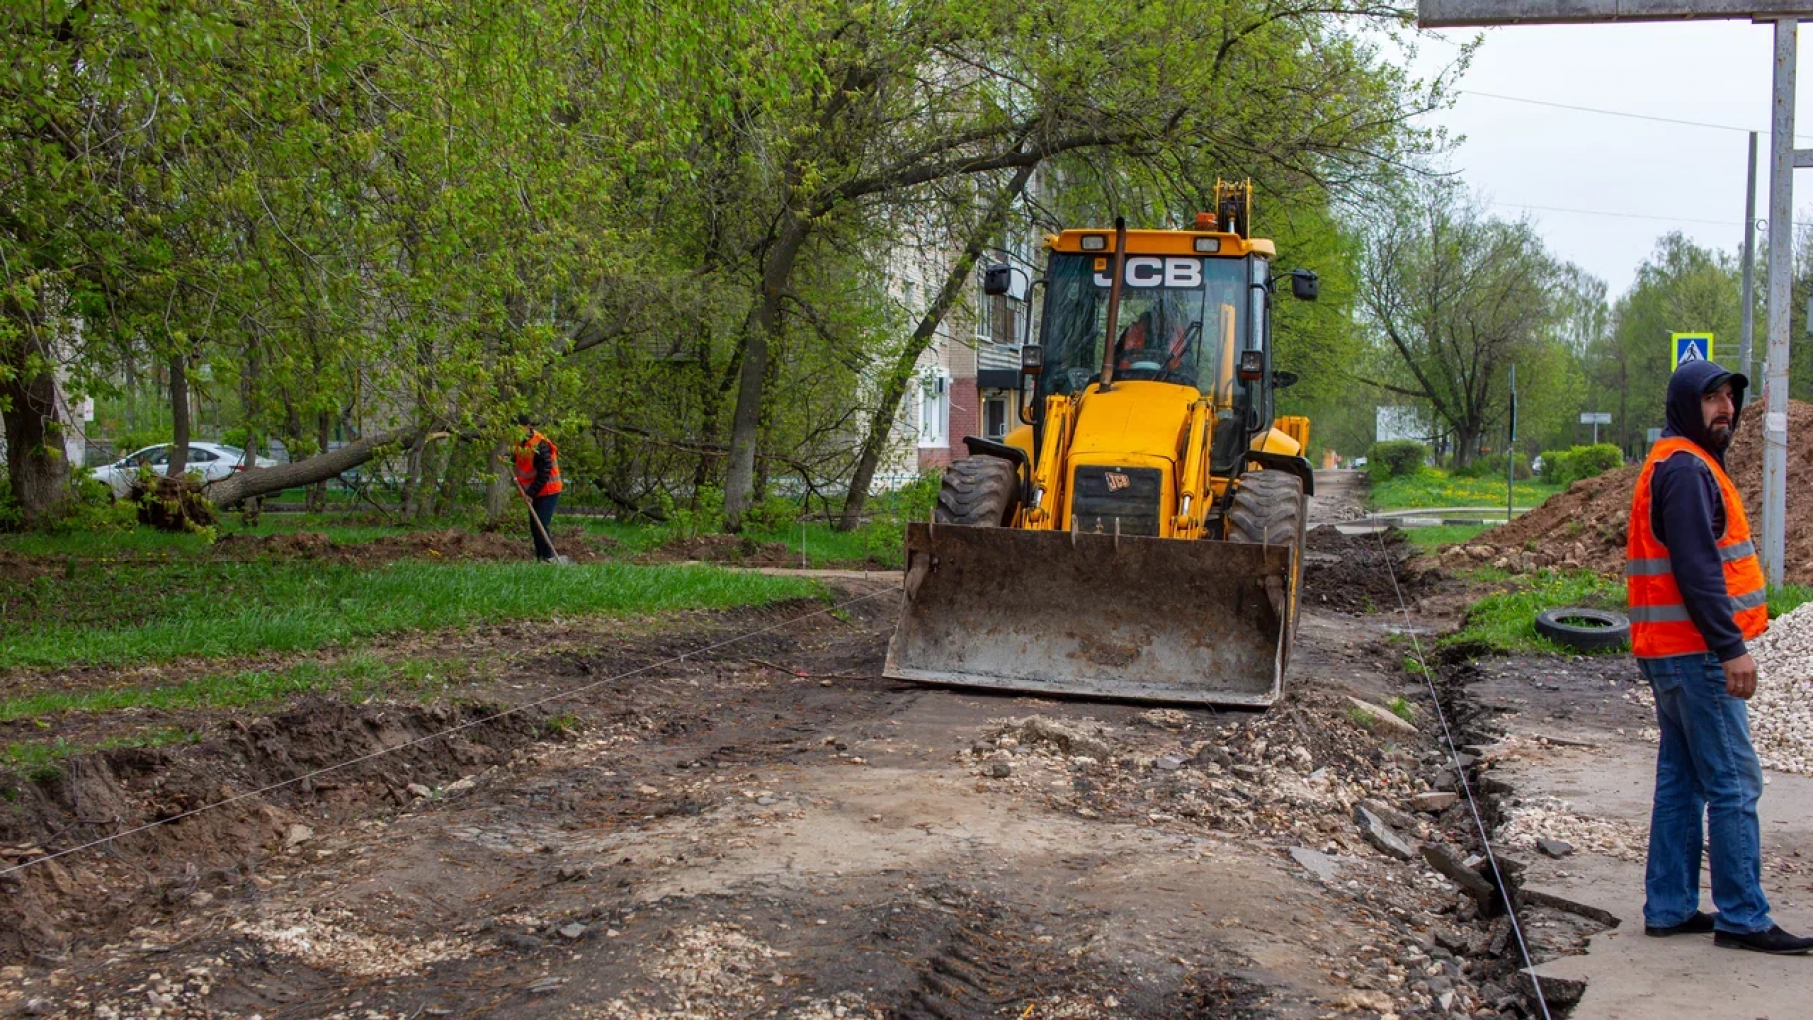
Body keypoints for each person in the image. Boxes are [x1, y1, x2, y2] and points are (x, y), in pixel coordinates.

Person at [1626, 360, 1812, 954]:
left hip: (1671, 651)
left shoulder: (1676, 464)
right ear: (1686, 404)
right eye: (1712, 398)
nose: (1725, 407)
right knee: (1734, 782)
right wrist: (1731, 648)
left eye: (1730, 397)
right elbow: (1698, 568)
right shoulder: (1685, 470)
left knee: (1683, 780)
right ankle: (1743, 917)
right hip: (1699, 652)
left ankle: (1672, 906)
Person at [513, 415, 563, 561]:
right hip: (534, 490)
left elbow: (545, 472)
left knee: (541, 524)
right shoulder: (519, 442)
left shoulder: (541, 444)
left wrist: (530, 493)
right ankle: (540, 558)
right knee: (535, 527)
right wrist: (507, 458)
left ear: (527, 426)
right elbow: (517, 459)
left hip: (548, 490)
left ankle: (549, 557)